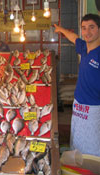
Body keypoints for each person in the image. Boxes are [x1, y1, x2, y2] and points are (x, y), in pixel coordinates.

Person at [54, 14, 100, 157]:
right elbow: (73, 37)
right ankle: (74, 161)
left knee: (92, 141)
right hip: (78, 103)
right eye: (84, 28)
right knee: (76, 135)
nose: (87, 32)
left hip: (94, 107)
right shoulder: (84, 46)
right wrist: (60, 29)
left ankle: (90, 166)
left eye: (91, 27)